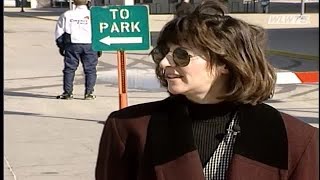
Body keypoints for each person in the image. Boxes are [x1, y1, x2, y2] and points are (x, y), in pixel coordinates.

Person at [95, 0, 318, 179]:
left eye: (181, 56)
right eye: (161, 53)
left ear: (225, 64)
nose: (163, 63)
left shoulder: (297, 139)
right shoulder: (128, 129)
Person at [55, 0, 101, 100]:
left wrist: (61, 46)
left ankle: (68, 93)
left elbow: (59, 32)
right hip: (90, 45)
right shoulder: (93, 14)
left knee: (69, 69)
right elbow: (99, 30)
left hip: (72, 45)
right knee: (90, 70)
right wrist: (99, 47)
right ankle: (89, 93)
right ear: (88, 2)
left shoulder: (67, 14)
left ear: (74, 2)